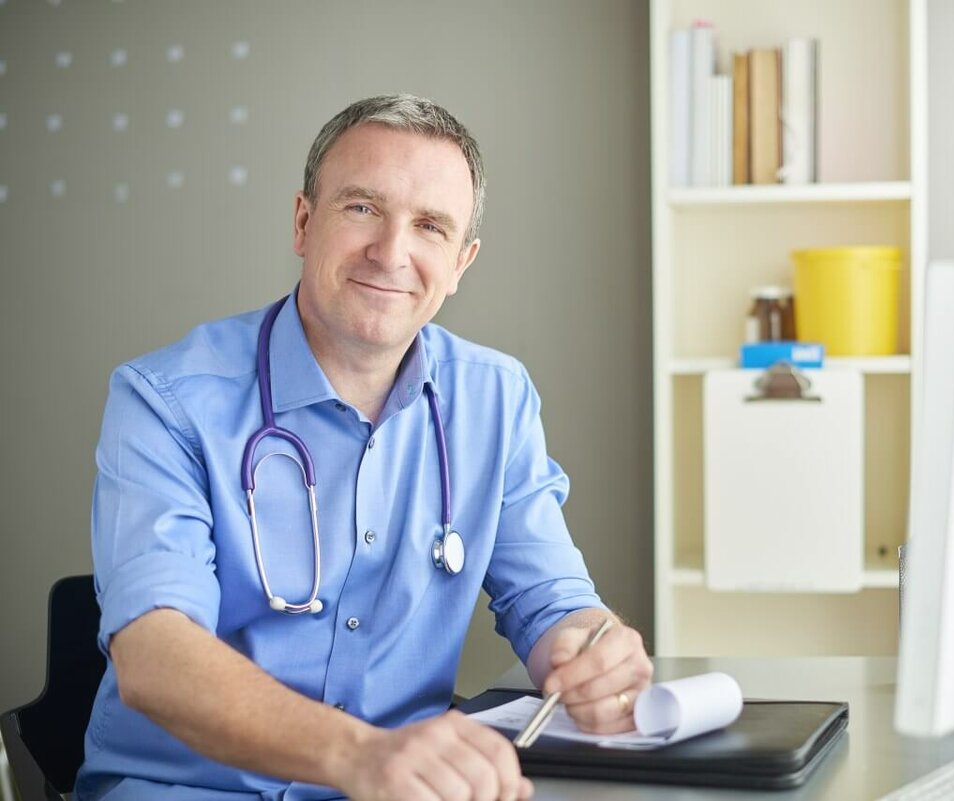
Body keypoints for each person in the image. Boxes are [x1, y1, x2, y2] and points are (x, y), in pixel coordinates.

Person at [76, 94, 653, 801]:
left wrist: (588, 649)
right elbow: (153, 657)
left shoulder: (494, 401)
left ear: (462, 261)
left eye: (431, 226)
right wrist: (357, 755)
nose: (391, 252)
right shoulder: (164, 399)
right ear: (302, 222)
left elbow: (552, 601)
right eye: (361, 209)